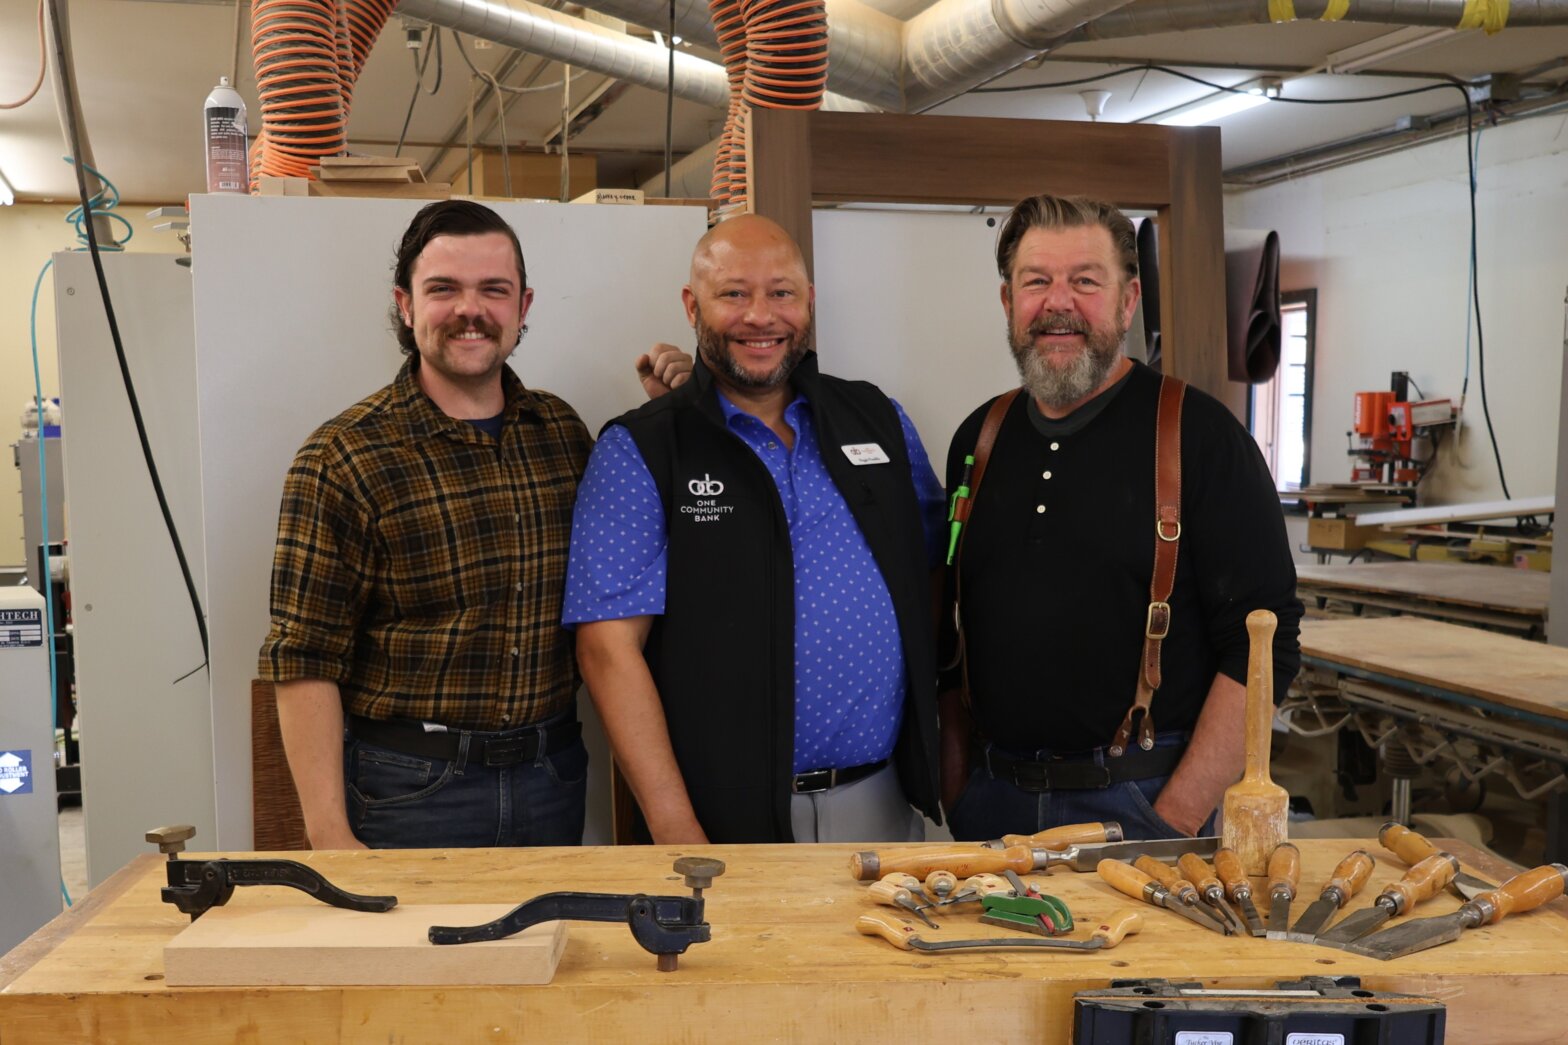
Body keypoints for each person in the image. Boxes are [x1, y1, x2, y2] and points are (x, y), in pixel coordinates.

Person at [257, 200, 689, 850]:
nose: (471, 309)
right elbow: (303, 656)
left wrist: (679, 415)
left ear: (523, 305)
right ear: (405, 304)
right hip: (410, 788)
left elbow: (643, 542)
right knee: (418, 955)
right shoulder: (342, 457)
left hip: (552, 774)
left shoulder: (562, 434)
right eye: (444, 289)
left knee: (552, 950)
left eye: (493, 289)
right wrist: (329, 834)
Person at [564, 214, 945, 844]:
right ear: (693, 305)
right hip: (717, 816)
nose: (760, 316)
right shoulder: (644, 448)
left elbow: (927, 574)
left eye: (781, 293)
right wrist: (674, 827)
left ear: (809, 302)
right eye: (733, 294)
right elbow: (607, 651)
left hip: (883, 797)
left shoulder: (877, 418)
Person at [940, 193, 1302, 842]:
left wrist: (1174, 818)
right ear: (1007, 303)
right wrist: (958, 787)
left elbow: (1264, 645)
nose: (1058, 303)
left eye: (1085, 281)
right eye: (1036, 282)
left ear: (1128, 301)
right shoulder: (978, 438)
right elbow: (946, 630)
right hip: (992, 810)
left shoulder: (1202, 437)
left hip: (1141, 808)